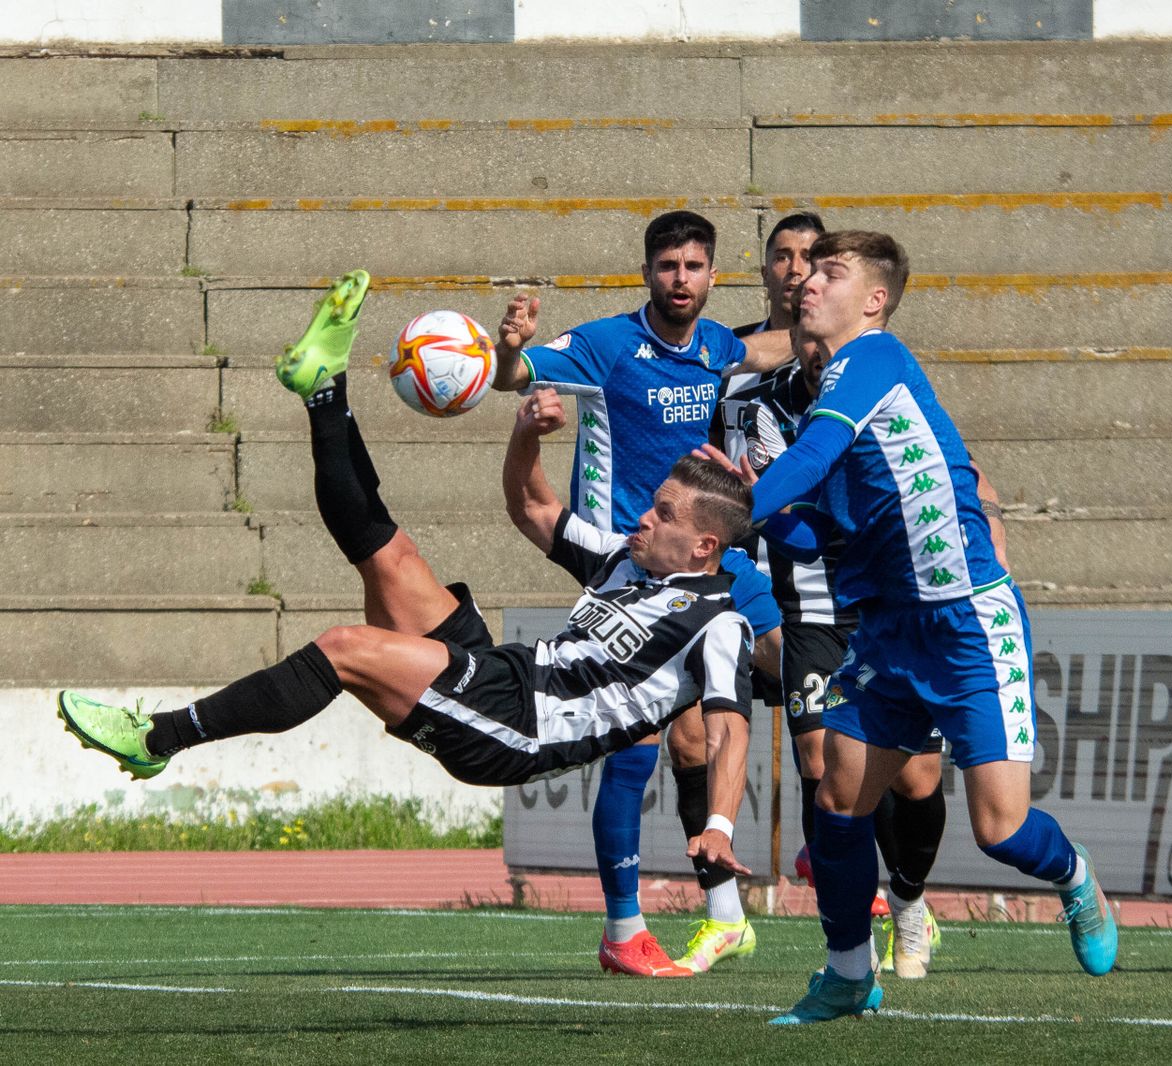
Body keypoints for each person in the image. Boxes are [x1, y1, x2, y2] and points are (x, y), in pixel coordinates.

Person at [55, 275, 758, 935]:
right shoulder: (626, 562)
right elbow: (532, 507)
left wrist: (720, 826)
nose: (645, 517)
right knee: (389, 558)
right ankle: (323, 386)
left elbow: (729, 731)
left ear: (704, 546)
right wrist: (525, 433)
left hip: (518, 728)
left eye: (663, 514)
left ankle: (157, 739)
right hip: (505, 675)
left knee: (345, 649)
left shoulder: (717, 622)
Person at [698, 230, 1118, 1025]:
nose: (807, 282)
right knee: (838, 802)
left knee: (1001, 830)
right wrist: (760, 514)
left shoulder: (876, 359)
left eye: (830, 272)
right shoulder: (832, 399)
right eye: (806, 271)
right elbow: (817, 534)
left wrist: (731, 510)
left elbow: (811, 459)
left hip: (966, 624)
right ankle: (849, 975)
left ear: (874, 300)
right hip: (888, 632)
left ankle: (1074, 877)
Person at [489, 211, 784, 976]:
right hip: (629, 562)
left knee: (800, 680)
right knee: (641, 743)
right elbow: (513, 377)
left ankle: (742, 912)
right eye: (668, 266)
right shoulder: (607, 346)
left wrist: (850, 331)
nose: (680, 279)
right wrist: (510, 349)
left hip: (712, 557)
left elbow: (772, 347)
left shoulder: (716, 345)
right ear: (647, 272)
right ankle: (629, 925)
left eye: (694, 266)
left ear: (712, 275)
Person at [714, 300, 952, 980]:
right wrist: (756, 511)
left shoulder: (883, 391)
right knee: (822, 767)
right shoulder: (763, 409)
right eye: (807, 341)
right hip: (814, 611)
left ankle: (909, 899)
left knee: (917, 778)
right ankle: (851, 939)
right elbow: (796, 523)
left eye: (825, 341)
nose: (818, 353)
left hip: (893, 609)